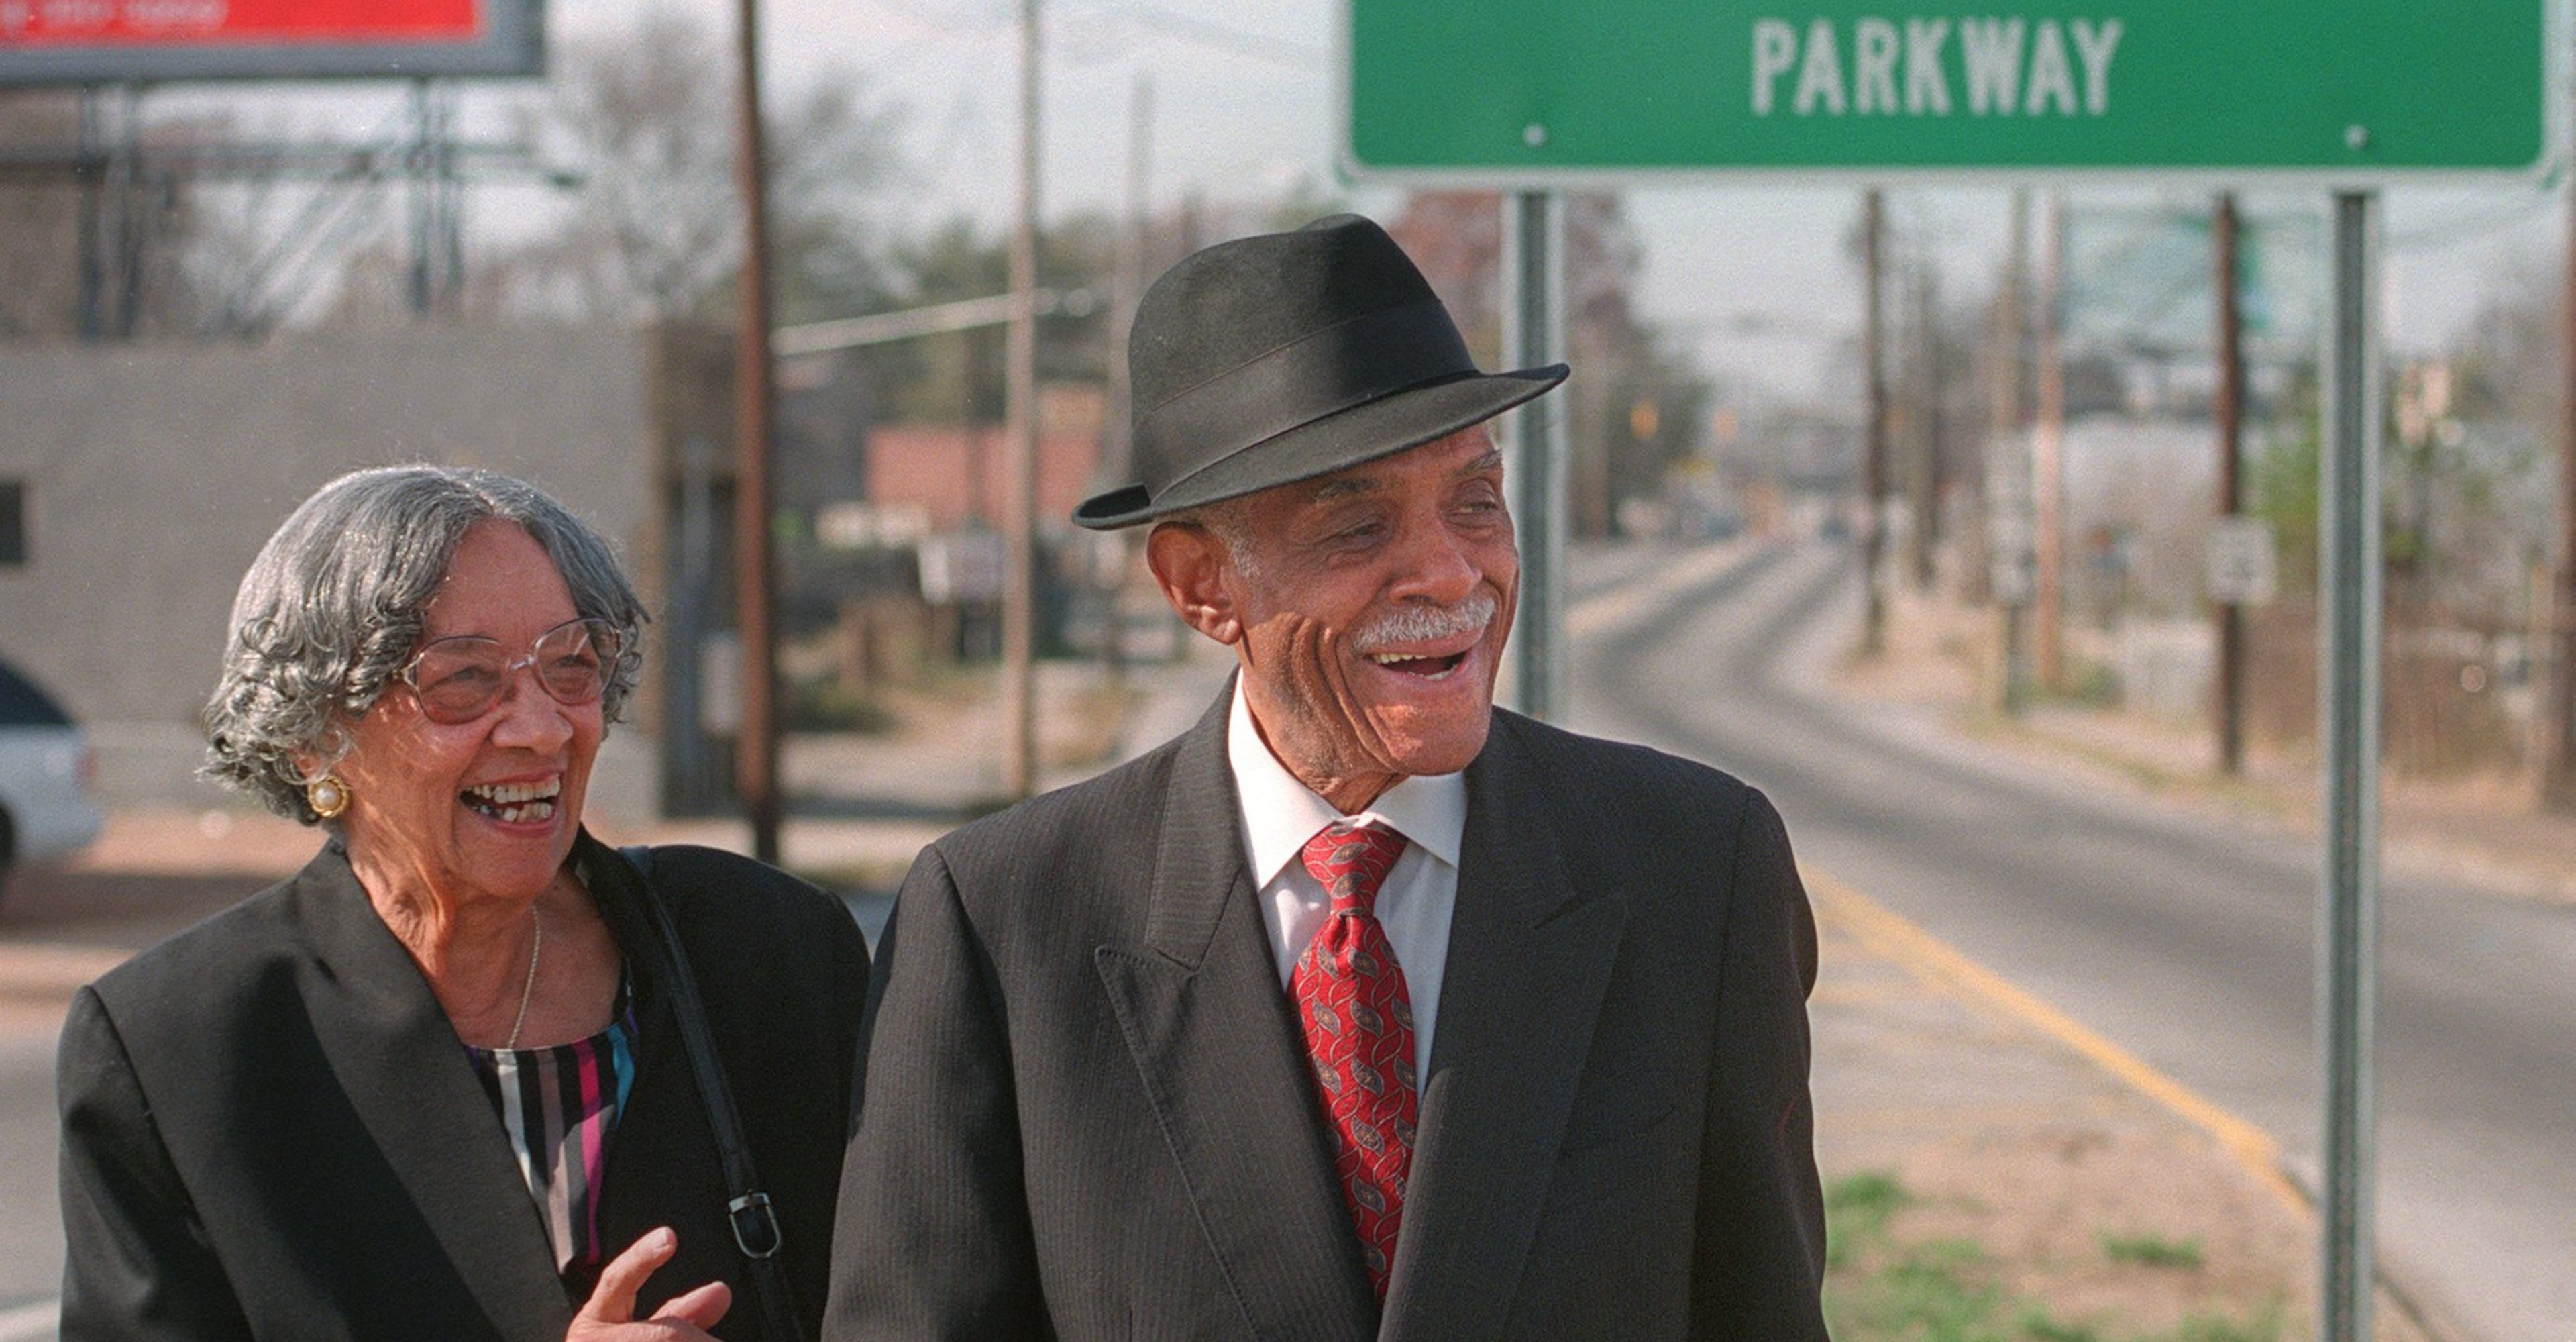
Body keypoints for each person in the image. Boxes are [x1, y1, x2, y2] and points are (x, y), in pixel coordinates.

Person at [826, 215, 1826, 1339]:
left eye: (1475, 500)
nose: (1452, 572)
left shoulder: (1695, 869)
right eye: (1357, 527)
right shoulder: (1004, 925)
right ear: (1201, 585)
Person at [57, 466, 869, 1342]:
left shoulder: (771, 955)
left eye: (570, 665)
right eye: (464, 680)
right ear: (314, 738)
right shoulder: (178, 1052)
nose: (543, 730)